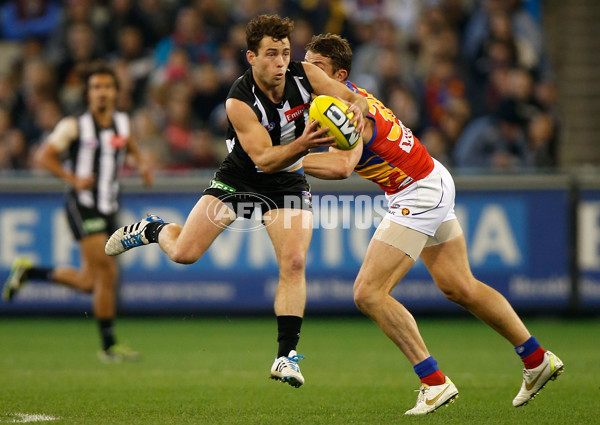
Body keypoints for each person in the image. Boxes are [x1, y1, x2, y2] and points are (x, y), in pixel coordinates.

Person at [302, 33, 564, 414]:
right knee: (460, 286)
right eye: (305, 64)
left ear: (339, 74)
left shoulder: (346, 108)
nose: (307, 73)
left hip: (418, 192)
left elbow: (342, 166)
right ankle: (536, 359)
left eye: (316, 67)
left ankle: (434, 382)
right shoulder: (347, 95)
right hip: (427, 179)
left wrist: (281, 160)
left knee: (368, 293)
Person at [104, 15, 368, 388]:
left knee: (293, 262)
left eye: (285, 53)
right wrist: (304, 144)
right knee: (184, 253)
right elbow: (263, 159)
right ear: (251, 57)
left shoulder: (304, 74)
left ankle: (285, 356)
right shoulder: (239, 101)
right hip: (240, 178)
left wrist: (356, 107)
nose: (280, 62)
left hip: (287, 181)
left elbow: (351, 95)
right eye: (272, 54)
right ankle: (153, 229)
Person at [2, 64, 153, 362]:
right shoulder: (75, 126)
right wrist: (73, 179)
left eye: (107, 87)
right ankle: (109, 347)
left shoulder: (122, 123)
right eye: (96, 87)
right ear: (87, 93)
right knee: (108, 271)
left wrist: (142, 164)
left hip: (108, 205)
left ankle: (29, 272)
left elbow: (129, 146)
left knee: (89, 281)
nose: (101, 92)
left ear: (115, 92)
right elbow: (43, 156)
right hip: (82, 204)